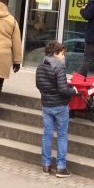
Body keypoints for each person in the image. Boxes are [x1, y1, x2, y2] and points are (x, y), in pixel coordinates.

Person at [35, 40, 79, 178]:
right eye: (62, 53)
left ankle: (46, 165)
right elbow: (63, 90)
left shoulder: (41, 67)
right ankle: (61, 167)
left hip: (46, 105)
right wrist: (74, 91)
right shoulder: (59, 67)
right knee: (62, 135)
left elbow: (39, 85)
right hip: (60, 106)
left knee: (47, 134)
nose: (64, 56)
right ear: (55, 53)